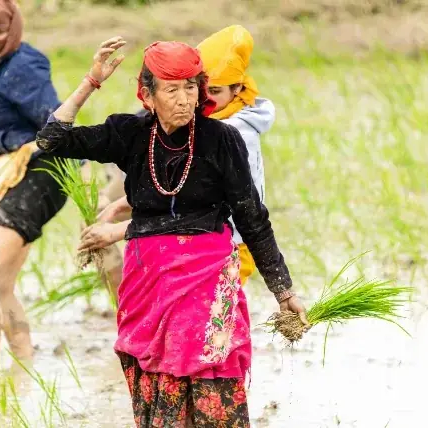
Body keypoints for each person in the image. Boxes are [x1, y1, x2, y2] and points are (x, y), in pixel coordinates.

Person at [34, 36, 308, 427]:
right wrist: (90, 82)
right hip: (149, 281)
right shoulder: (130, 133)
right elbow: (52, 139)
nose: (184, 99)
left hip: (206, 276)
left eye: (191, 87)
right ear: (147, 94)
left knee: (212, 374)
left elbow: (252, 216)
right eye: (172, 89)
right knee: (156, 380)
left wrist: (284, 292)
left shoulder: (221, 139)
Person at [80, 25, 275, 287]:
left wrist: (117, 230)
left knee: (205, 322)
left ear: (238, 88)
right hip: (197, 241)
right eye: (198, 89)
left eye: (214, 92)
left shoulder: (230, 134)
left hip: (228, 245)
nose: (203, 99)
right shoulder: (202, 120)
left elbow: (193, 205)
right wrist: (120, 205)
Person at [0, 0, 68, 378]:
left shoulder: (23, 66)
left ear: (15, 30)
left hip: (39, 173)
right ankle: (26, 372)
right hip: (13, 173)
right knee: (2, 284)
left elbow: (56, 124)